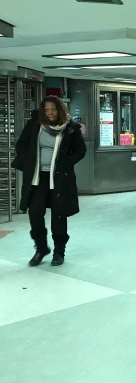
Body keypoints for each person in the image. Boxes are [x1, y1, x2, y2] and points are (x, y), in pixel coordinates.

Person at [14, 96, 87, 266]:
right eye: (46, 110)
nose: (49, 113)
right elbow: (22, 145)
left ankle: (59, 252)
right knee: (35, 212)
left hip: (60, 178)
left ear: (59, 109)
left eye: (53, 110)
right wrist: (28, 162)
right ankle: (41, 248)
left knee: (59, 214)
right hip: (38, 178)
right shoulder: (35, 124)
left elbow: (80, 150)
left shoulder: (71, 128)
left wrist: (65, 164)